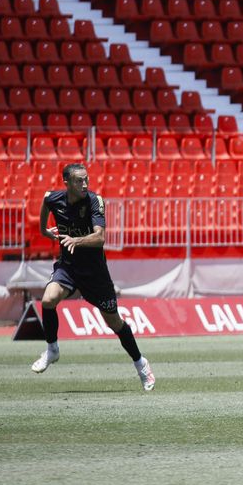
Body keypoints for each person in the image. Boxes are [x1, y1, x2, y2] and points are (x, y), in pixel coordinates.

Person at [31, 163, 154, 391]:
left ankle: (141, 363)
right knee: (48, 300)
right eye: (79, 181)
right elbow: (47, 199)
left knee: (114, 323)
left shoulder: (95, 202)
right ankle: (52, 349)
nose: (85, 184)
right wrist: (43, 230)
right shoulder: (55, 198)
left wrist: (76, 241)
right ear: (67, 183)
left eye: (86, 179)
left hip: (95, 273)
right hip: (68, 268)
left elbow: (100, 239)